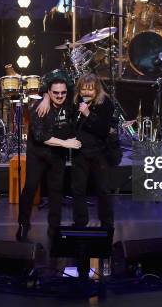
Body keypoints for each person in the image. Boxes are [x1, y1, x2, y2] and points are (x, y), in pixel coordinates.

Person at [16, 78, 81, 242]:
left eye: (63, 92)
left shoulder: (69, 104)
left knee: (56, 191)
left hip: (57, 155)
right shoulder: (39, 108)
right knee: (30, 188)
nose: (60, 96)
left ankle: (54, 227)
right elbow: (40, 136)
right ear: (49, 92)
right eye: (55, 93)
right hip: (38, 153)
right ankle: (23, 224)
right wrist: (65, 143)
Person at [71, 73, 115, 229]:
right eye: (83, 89)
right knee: (78, 190)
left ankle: (107, 225)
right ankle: (80, 223)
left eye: (90, 90)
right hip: (80, 152)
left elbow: (104, 130)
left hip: (99, 152)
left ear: (97, 90)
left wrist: (88, 114)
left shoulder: (106, 103)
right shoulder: (76, 102)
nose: (86, 93)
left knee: (103, 190)